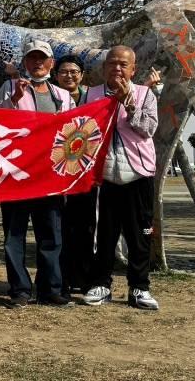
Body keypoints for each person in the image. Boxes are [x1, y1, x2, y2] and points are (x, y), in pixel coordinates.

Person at [0, 39, 73, 308]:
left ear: (51, 63)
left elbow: (73, 134)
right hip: (16, 175)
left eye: (42, 58)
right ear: (24, 62)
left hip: (49, 177)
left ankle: (50, 288)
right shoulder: (9, 87)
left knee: (50, 234)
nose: (37, 63)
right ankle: (19, 289)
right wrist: (13, 100)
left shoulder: (63, 96)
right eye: (32, 58)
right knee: (13, 235)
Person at [81, 46, 159, 310]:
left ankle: (139, 287)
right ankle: (101, 284)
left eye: (123, 64)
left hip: (138, 173)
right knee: (104, 234)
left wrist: (129, 103)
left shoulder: (145, 93)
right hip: (104, 176)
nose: (117, 68)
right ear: (104, 69)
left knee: (139, 235)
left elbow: (148, 129)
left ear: (133, 69)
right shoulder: (91, 95)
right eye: (112, 63)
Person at [52, 55, 93, 296]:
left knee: (86, 226)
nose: (69, 75)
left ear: (82, 75)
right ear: (56, 75)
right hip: (58, 173)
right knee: (61, 228)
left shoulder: (93, 98)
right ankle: (62, 278)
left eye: (74, 71)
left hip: (85, 172)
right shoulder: (50, 97)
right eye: (64, 72)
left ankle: (84, 277)